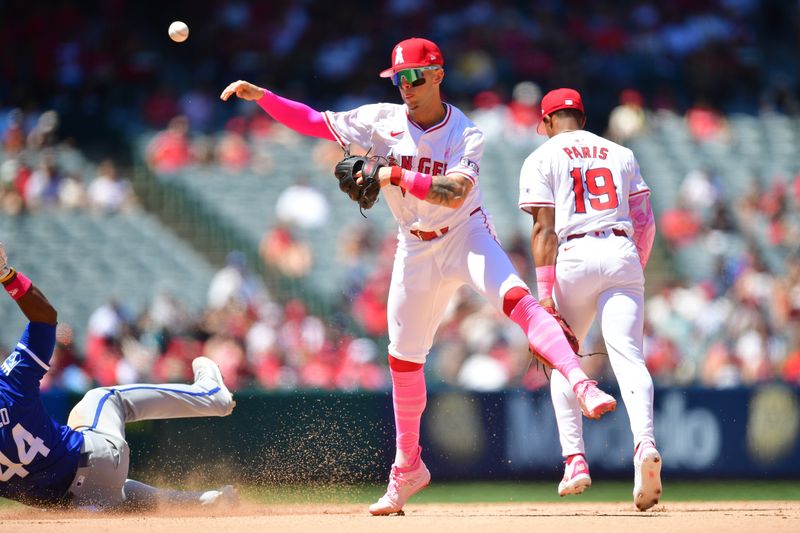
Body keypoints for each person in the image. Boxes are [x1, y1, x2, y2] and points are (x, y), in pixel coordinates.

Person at [221, 38, 617, 516]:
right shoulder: (380, 121)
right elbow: (314, 121)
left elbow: (452, 192)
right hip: (414, 245)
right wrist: (262, 97)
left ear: (437, 75)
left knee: (517, 299)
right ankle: (407, 467)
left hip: (465, 232)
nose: (405, 86)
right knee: (403, 359)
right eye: (398, 79)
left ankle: (580, 382)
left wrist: (391, 175)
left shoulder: (466, 133)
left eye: (413, 77)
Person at [0, 242, 238, 510]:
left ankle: (207, 503)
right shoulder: (9, 382)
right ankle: (211, 396)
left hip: (72, 506)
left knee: (114, 491)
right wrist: (6, 274)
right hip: (95, 462)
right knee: (103, 396)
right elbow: (44, 319)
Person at [517, 88, 662, 511]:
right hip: (620, 249)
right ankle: (645, 445)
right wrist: (633, 268)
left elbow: (543, 230)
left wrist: (544, 296)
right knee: (630, 356)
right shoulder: (619, 152)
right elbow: (644, 221)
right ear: (580, 116)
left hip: (574, 256)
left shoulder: (542, 156)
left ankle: (575, 461)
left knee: (564, 358)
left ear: (546, 123)